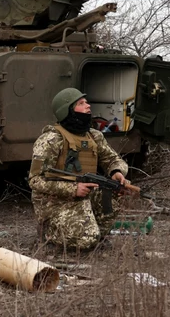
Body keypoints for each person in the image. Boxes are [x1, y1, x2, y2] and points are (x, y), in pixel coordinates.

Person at [28, 88, 134, 250]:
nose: (88, 106)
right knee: (86, 241)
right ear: (68, 110)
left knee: (114, 192)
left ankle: (98, 234)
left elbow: (112, 159)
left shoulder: (93, 136)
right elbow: (35, 180)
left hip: (83, 196)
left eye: (86, 102)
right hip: (55, 203)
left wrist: (117, 172)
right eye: (81, 103)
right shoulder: (51, 139)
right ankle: (49, 234)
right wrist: (73, 189)